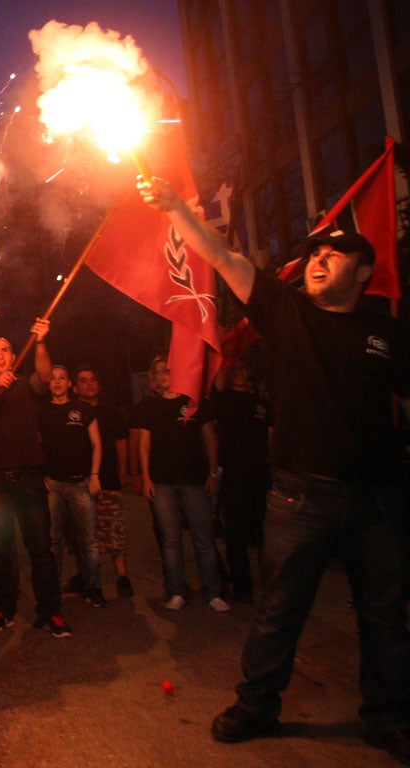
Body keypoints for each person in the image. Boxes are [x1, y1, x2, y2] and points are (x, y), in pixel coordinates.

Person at [140, 177, 410, 764]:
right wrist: (176, 208)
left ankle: (388, 717)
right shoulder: (284, 310)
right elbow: (223, 256)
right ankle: (257, 703)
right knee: (279, 607)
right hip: (298, 498)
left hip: (378, 503)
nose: (318, 259)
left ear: (363, 272)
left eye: (334, 253)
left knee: (385, 615)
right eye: (314, 251)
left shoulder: (386, 333)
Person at [0, 328, 72, 638]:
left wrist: (40, 341)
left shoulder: (28, 385)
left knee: (41, 547)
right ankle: (4, 607)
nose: (1, 355)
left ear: (14, 357)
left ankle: (50, 610)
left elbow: (45, 375)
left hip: (29, 476)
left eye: (5, 350)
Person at [136, 356, 229, 613]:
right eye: (160, 371)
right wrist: (145, 477)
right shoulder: (150, 407)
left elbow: (210, 439)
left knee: (203, 539)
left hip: (194, 482)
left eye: (169, 370)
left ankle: (213, 593)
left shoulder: (195, 403)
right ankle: (176, 591)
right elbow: (144, 444)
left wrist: (212, 474)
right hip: (163, 484)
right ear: (155, 376)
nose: (164, 375)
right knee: (171, 540)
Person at [39, 365, 106, 607]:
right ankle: (53, 588)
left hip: (82, 484)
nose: (57, 382)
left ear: (69, 383)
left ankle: (94, 586)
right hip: (54, 485)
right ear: (49, 384)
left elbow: (97, 444)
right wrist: (42, 477)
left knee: (88, 539)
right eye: (53, 379)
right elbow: (36, 446)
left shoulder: (83, 409)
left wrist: (95, 475)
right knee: (53, 538)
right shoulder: (42, 412)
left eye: (62, 378)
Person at [210, 360, 271, 604]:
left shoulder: (262, 405)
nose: (239, 373)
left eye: (243, 369)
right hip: (234, 475)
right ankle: (242, 586)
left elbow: (272, 438)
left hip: (260, 476)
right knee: (235, 534)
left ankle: (270, 586)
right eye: (235, 370)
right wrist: (222, 353)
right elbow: (217, 379)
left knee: (265, 534)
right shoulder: (224, 400)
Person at [72, 363, 133, 598]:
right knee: (82, 533)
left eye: (93, 379)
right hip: (80, 481)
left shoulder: (110, 411)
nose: (89, 384)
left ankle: (122, 576)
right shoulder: (72, 411)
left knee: (114, 527)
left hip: (107, 479)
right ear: (75, 387)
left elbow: (121, 442)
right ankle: (84, 574)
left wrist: (124, 472)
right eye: (84, 380)